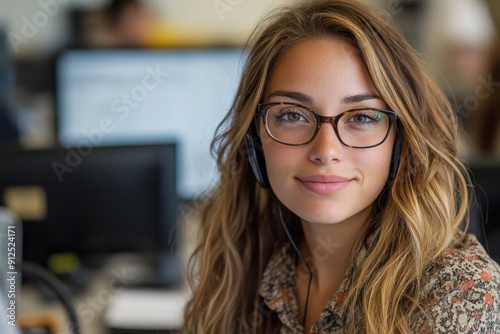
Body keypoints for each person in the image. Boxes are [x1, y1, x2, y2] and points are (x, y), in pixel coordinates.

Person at [180, 0, 500, 333]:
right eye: (292, 115)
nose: (326, 151)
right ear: (255, 138)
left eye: (362, 117)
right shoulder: (243, 264)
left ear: (402, 140)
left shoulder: (459, 293)